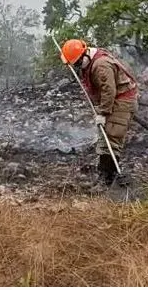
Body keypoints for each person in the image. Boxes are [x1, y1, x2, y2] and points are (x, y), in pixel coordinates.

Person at [61, 39, 138, 186]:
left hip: (121, 101)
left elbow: (108, 91)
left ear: (85, 54)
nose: (77, 67)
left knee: (111, 139)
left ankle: (108, 179)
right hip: (115, 100)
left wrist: (102, 113)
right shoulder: (91, 61)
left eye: (77, 63)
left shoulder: (100, 65)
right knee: (104, 139)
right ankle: (106, 176)